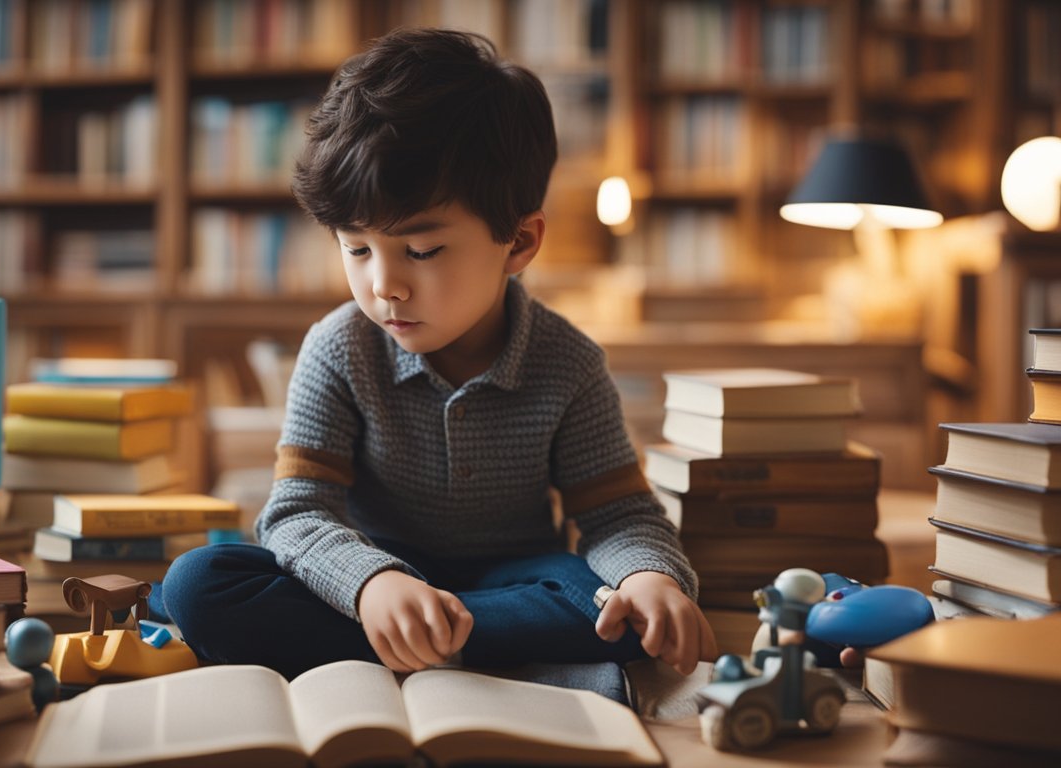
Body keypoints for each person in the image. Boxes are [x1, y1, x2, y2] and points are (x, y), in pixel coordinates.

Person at [159, 27, 716, 683]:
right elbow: (298, 513)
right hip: (373, 567)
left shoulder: (567, 362)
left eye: (420, 252)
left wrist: (651, 577)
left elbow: (618, 516)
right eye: (356, 248)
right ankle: (442, 640)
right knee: (197, 582)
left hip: (515, 576)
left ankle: (421, 640)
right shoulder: (339, 348)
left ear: (518, 242)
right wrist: (372, 585)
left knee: (611, 608)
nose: (383, 285)